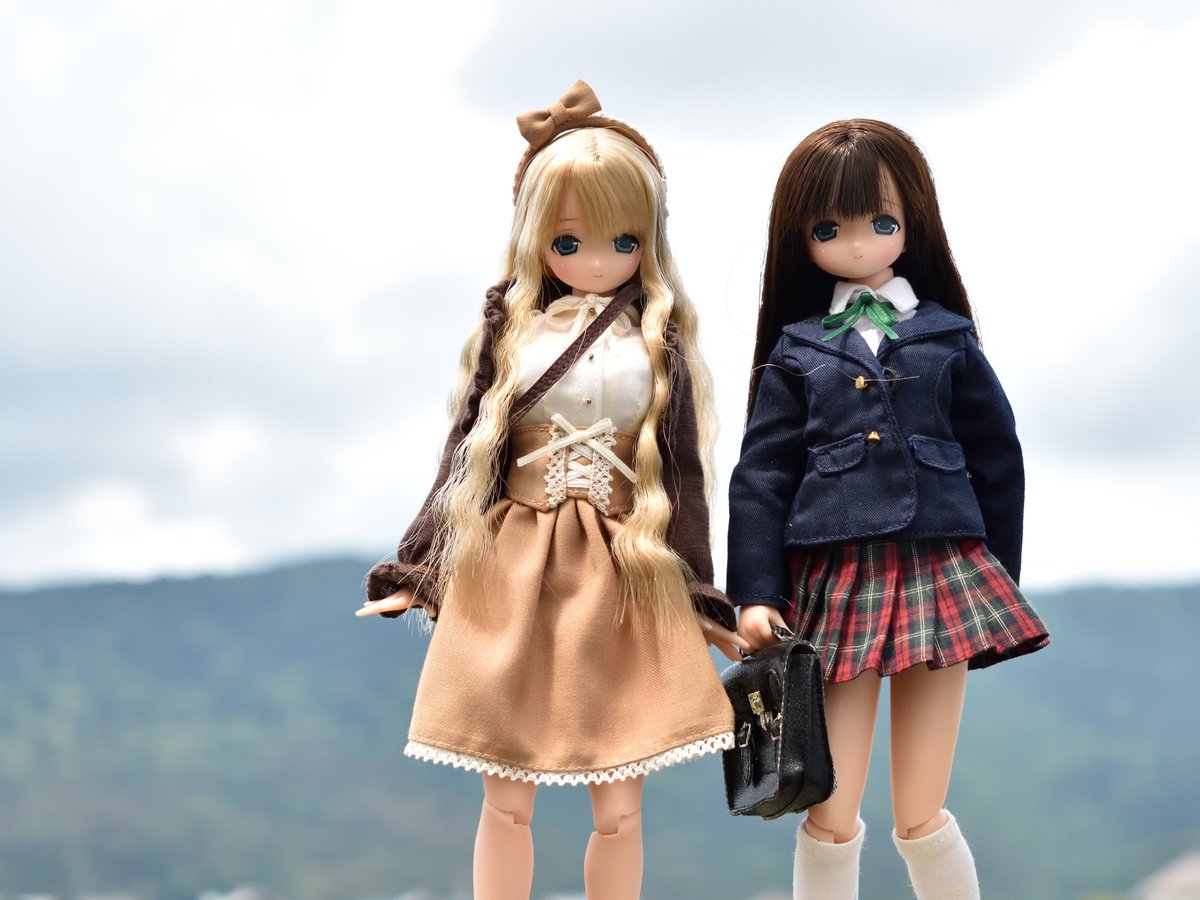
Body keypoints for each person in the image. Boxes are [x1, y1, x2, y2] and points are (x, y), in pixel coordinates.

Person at [358, 80, 741, 900]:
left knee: (621, 808)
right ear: (537, 237)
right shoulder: (513, 331)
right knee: (506, 799)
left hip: (624, 572)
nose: (597, 262)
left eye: (623, 240)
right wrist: (418, 568)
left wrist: (702, 597)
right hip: (513, 565)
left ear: (649, 239)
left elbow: (683, 476)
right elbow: (467, 453)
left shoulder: (659, 340)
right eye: (570, 241)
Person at [727, 119, 1049, 899]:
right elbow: (762, 474)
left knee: (922, 807)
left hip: (943, 565)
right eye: (829, 229)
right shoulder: (798, 350)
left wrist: (996, 575)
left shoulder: (947, 338)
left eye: (881, 221)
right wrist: (756, 592)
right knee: (828, 803)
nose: (858, 243)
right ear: (801, 238)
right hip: (839, 573)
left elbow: (998, 458)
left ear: (913, 222)